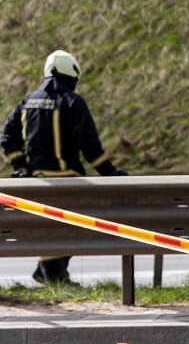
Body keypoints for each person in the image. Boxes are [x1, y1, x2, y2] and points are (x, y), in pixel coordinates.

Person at [1, 50, 127, 286]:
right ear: (72, 75)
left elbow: (7, 136)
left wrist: (20, 166)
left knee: (52, 226)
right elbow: (90, 147)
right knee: (79, 224)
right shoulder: (73, 102)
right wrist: (111, 173)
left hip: (35, 183)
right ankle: (53, 277)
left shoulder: (27, 101)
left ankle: (48, 272)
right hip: (68, 182)